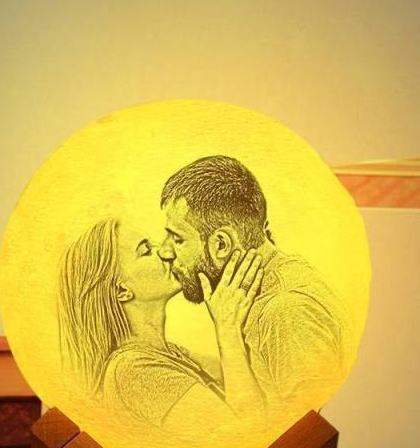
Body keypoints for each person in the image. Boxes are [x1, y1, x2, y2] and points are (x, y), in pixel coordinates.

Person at [158, 155, 348, 410]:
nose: (164, 251)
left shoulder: (286, 310)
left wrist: (227, 333)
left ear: (221, 245)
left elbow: (298, 431)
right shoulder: (269, 290)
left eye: (177, 239)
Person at [57, 217, 265, 429]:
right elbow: (242, 433)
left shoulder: (172, 353)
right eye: (146, 251)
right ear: (122, 290)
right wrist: (228, 330)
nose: (166, 252)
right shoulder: (135, 372)